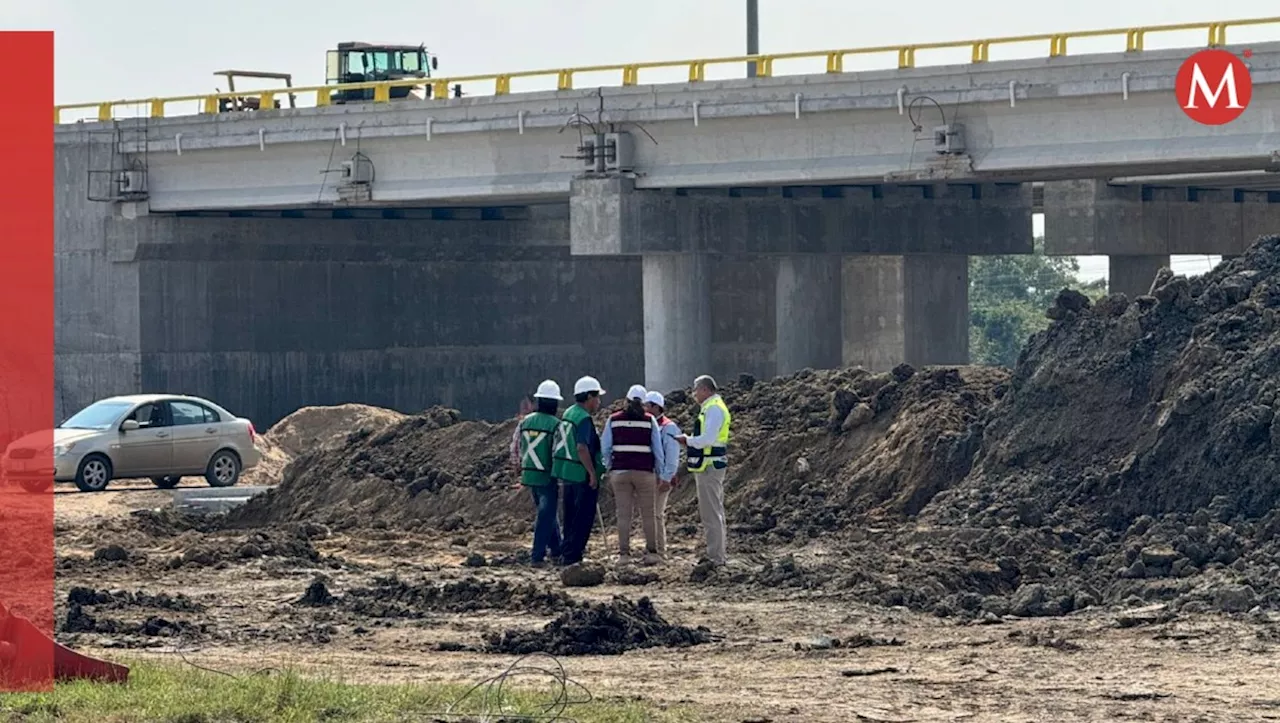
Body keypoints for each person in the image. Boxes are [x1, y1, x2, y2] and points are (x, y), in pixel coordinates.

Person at [601, 384, 666, 564]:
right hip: (645, 472)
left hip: (620, 472)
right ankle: (652, 552)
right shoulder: (649, 420)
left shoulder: (613, 420)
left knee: (623, 514)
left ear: (626, 400)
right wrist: (659, 472)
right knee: (648, 513)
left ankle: (624, 554)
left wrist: (609, 466)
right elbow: (657, 450)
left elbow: (605, 447)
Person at [676, 375, 732, 568]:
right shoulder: (711, 407)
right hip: (708, 464)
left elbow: (707, 439)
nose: (694, 394)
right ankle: (717, 555)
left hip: (710, 466)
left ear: (706, 390)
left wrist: (687, 440)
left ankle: (716, 558)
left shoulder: (714, 408)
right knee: (714, 512)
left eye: (696, 390)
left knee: (711, 514)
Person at [553, 375, 607, 566]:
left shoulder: (569, 413)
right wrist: (592, 472)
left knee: (569, 516)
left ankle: (567, 553)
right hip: (580, 474)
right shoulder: (583, 418)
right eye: (597, 398)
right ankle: (574, 556)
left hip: (567, 473)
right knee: (582, 517)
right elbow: (582, 447)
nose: (599, 402)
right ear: (589, 397)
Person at [517, 382, 563, 567]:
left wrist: (519, 467)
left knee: (548, 513)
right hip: (547, 475)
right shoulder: (556, 425)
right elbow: (557, 451)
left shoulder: (525, 422)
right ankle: (537, 555)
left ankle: (557, 549)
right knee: (546, 514)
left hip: (530, 474)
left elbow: (517, 447)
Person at [643, 390, 682, 558]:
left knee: (656, 514)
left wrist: (666, 478)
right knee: (650, 514)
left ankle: (659, 550)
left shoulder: (668, 427)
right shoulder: (651, 424)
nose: (644, 408)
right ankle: (652, 547)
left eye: (647, 405)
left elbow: (672, 456)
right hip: (650, 476)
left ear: (655, 407)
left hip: (661, 477)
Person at [509, 394, 535, 470]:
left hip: (526, 469)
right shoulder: (553, 424)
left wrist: (516, 464)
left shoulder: (523, 423)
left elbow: (514, 447)